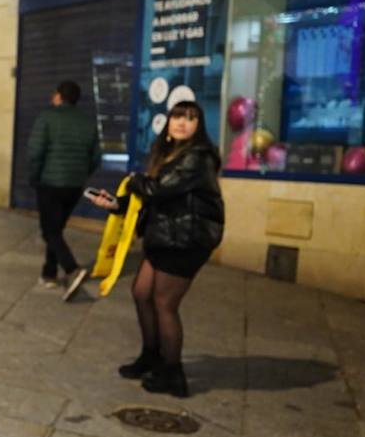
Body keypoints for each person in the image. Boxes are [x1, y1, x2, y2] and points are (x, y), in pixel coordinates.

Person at [88, 100, 224, 397]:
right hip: (164, 235)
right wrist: (116, 204)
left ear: (199, 126)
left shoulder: (198, 157)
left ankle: (173, 373)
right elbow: (152, 198)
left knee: (164, 303)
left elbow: (157, 189)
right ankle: (151, 355)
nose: (182, 123)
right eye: (177, 116)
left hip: (185, 240)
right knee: (141, 293)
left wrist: (134, 180)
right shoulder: (168, 153)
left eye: (190, 118)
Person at [26, 79, 101, 300]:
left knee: (49, 231)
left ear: (59, 96)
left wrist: (35, 177)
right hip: (74, 185)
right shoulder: (87, 122)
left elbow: (35, 152)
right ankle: (49, 273)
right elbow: (96, 157)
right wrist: (81, 174)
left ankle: (72, 269)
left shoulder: (47, 117)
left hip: (50, 183)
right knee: (56, 229)